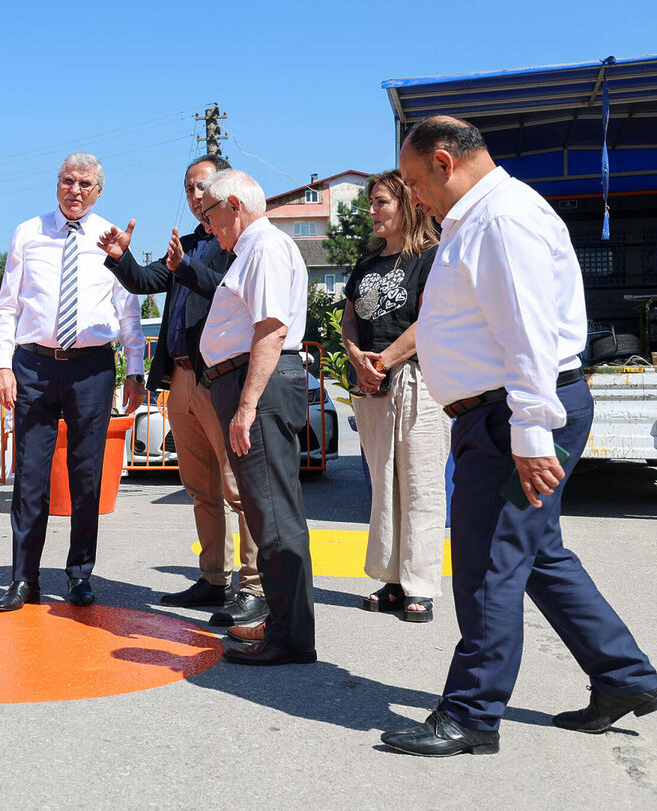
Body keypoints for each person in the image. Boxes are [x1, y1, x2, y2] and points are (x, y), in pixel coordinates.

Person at [382, 116, 657, 756]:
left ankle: (472, 715)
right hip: (504, 413)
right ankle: (625, 677)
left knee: (488, 565)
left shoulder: (501, 220)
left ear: (445, 162)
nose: (414, 196)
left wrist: (532, 433)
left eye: (416, 181)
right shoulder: (480, 218)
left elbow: (529, 334)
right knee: (537, 555)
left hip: (517, 414)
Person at [96, 155, 266, 625]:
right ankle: (213, 579)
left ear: (228, 191)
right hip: (183, 380)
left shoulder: (243, 245)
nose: (195, 198)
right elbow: (148, 281)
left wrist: (187, 269)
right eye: (189, 189)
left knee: (239, 490)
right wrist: (121, 258)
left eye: (203, 189)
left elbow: (233, 294)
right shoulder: (188, 244)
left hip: (223, 379)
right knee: (200, 488)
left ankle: (252, 587)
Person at [0, 152, 145, 611]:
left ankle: (80, 574)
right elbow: (7, 305)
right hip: (33, 367)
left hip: (91, 368)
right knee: (31, 477)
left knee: (86, 476)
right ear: (56, 184)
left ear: (98, 191)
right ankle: (24, 579)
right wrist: (2, 364)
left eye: (85, 184)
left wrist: (133, 369)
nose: (75, 191)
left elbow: (129, 310)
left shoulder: (110, 236)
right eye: (67, 181)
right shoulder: (28, 232)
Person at [188, 169, 315, 666]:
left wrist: (245, 405)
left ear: (234, 205)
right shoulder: (255, 249)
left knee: (273, 514)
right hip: (245, 382)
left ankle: (290, 635)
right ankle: (286, 622)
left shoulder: (263, 247)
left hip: (253, 384)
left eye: (211, 214)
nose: (209, 226)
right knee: (269, 513)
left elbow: (270, 327)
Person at [341, 170, 448, 623]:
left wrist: (382, 361)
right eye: (371, 203)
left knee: (421, 486)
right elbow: (349, 320)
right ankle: (391, 580)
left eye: (380, 202)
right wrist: (355, 356)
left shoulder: (431, 257)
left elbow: (432, 321)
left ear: (405, 205)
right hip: (371, 385)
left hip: (418, 380)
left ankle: (420, 586)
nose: (371, 211)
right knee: (383, 487)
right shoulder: (365, 264)